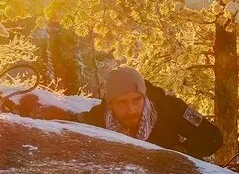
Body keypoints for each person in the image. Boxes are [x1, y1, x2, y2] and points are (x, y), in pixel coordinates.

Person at [83, 66, 224, 160]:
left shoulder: (169, 107)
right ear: (110, 103)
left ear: (145, 96)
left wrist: (182, 152)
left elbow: (212, 136)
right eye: (122, 103)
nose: (131, 110)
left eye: (137, 100)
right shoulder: (98, 118)